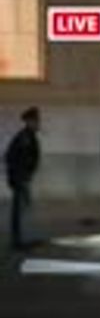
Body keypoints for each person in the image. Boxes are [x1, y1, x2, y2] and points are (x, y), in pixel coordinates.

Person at [4, 107, 41, 251]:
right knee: (19, 210)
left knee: (23, 209)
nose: (39, 124)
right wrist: (21, 177)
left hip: (22, 178)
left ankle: (23, 239)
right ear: (29, 121)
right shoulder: (24, 137)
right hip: (20, 179)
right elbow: (13, 158)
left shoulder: (28, 135)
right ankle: (18, 241)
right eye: (36, 121)